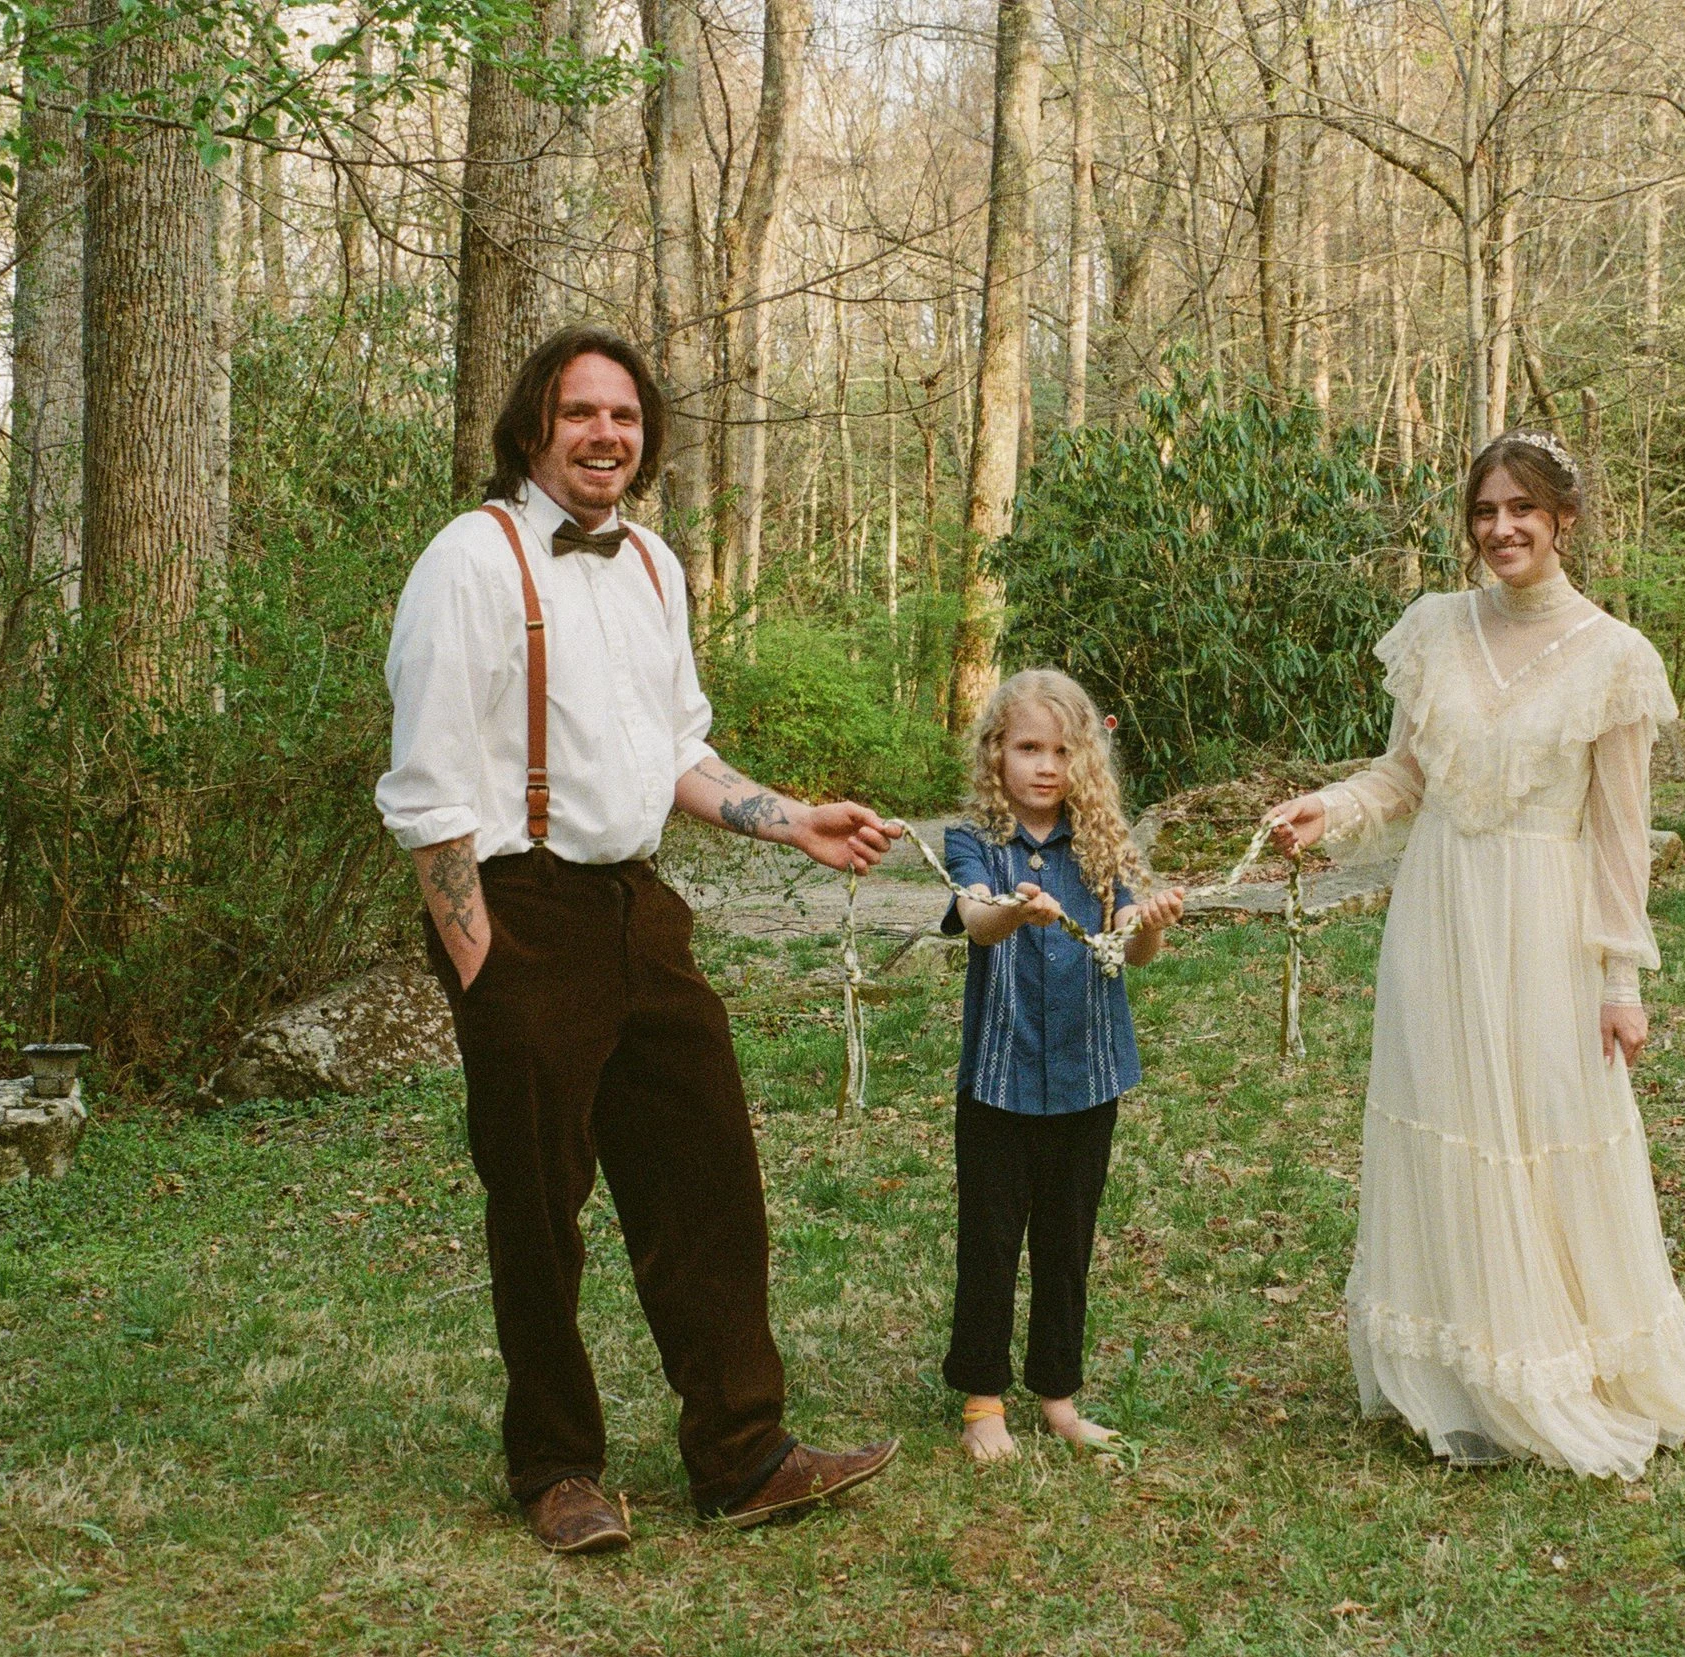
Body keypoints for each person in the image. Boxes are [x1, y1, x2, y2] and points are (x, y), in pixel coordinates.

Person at [376, 325, 904, 1553]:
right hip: (519, 909)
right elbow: (428, 791)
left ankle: (743, 1453)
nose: (605, 434)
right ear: (531, 428)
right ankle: (556, 1467)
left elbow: (676, 752)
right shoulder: (468, 562)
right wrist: (483, 964)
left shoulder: (655, 565)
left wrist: (793, 821)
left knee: (707, 1177)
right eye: (580, 413)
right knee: (538, 1209)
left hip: (637, 906)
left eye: (623, 416)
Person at [1265, 431, 1685, 1477]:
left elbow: (1619, 835)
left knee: (1545, 1122)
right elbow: (1405, 776)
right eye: (1485, 510)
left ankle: (1555, 1362)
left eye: (1522, 509)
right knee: (1446, 1115)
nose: (1501, 528)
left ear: (1564, 520)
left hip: (1545, 922)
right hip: (1439, 909)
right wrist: (1330, 807)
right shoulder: (1435, 628)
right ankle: (1461, 1371)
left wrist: (1621, 978)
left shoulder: (1617, 657)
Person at [937, 671, 1186, 1462]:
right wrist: (1012, 908)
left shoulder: (1104, 842)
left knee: (1067, 1239)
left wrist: (1151, 921)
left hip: (1088, 1076)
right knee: (990, 1239)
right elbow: (975, 918)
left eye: (1063, 750)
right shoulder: (974, 840)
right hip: (1000, 1079)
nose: (1046, 765)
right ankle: (983, 1398)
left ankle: (1058, 1395)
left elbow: (1134, 948)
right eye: (1028, 748)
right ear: (996, 753)